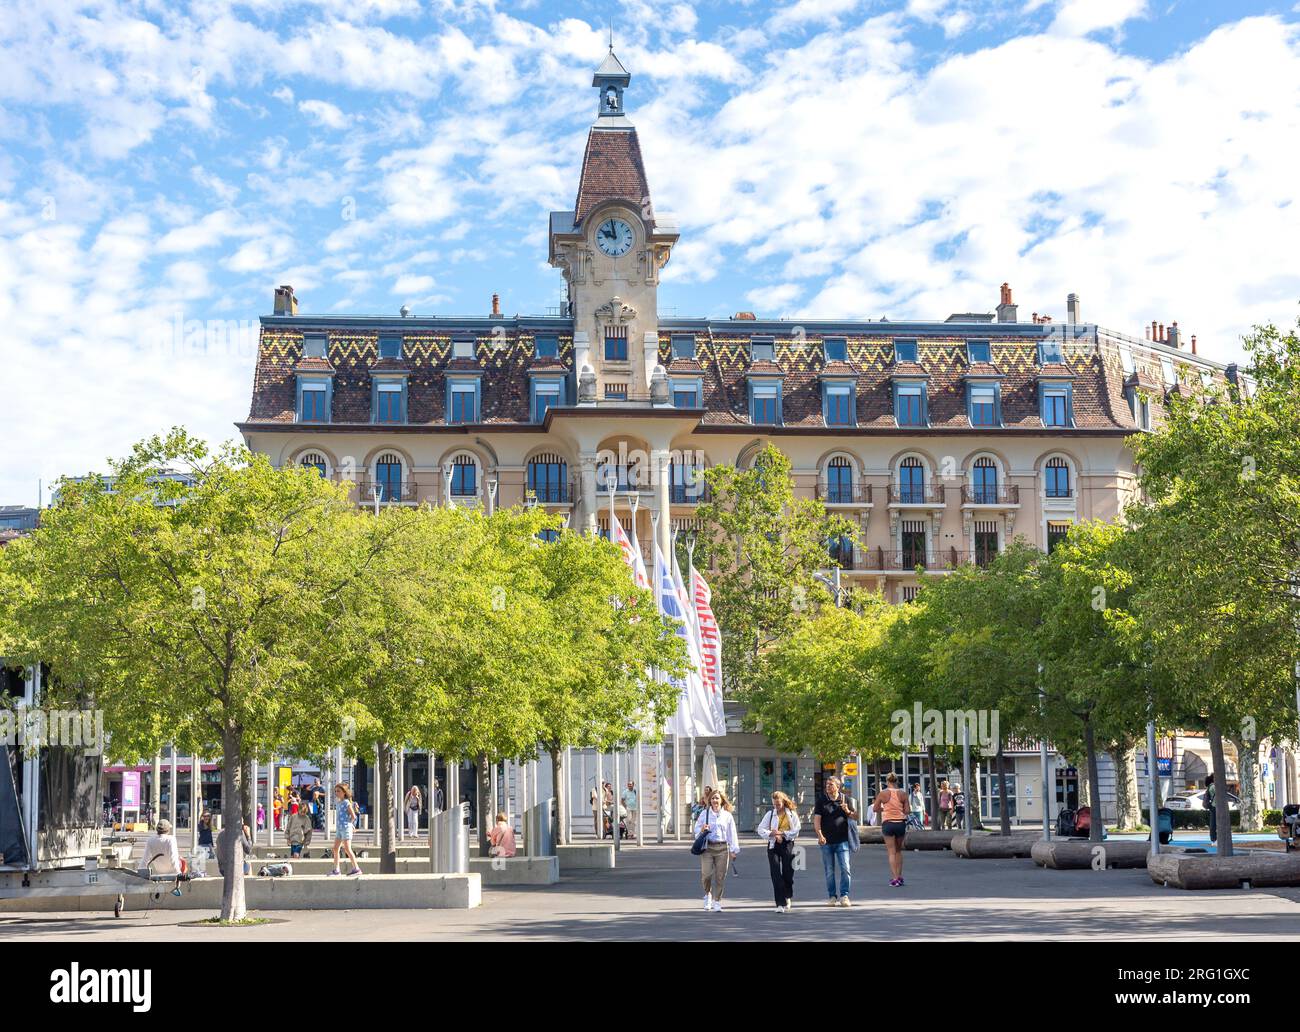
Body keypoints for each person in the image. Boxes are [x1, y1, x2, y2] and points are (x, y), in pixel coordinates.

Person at [693, 789, 739, 912]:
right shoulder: (705, 813)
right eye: (713, 798)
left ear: (722, 800)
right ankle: (708, 894)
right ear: (710, 801)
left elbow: (732, 833)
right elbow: (696, 830)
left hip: (722, 848)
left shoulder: (727, 816)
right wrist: (702, 829)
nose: (715, 800)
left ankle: (717, 901)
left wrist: (734, 849)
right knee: (706, 875)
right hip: (708, 847)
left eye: (717, 798)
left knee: (720, 876)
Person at [814, 776, 856, 906]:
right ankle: (832, 896)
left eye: (831, 785)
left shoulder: (846, 799)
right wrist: (819, 834)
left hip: (842, 840)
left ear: (838, 787)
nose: (828, 787)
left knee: (845, 869)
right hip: (826, 842)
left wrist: (847, 810)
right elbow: (817, 820)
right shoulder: (821, 800)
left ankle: (844, 896)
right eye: (827, 784)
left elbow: (856, 816)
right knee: (829, 871)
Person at [757, 790, 800, 913]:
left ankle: (787, 895)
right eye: (775, 804)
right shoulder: (770, 814)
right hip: (773, 845)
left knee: (788, 872)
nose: (777, 806)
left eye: (779, 804)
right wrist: (772, 834)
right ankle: (780, 903)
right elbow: (760, 829)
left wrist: (782, 833)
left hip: (787, 844)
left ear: (784, 802)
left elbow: (796, 830)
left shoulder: (791, 814)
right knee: (775, 873)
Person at [874, 772, 910, 886]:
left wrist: (884, 809)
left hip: (888, 823)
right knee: (899, 851)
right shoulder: (903, 794)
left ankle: (894, 879)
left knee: (891, 852)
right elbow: (907, 811)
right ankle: (899, 877)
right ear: (897, 781)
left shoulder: (882, 794)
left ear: (887, 781)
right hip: (900, 823)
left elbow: (875, 808)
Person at [330, 783, 362, 876]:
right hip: (339, 829)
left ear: (344, 792)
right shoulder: (339, 803)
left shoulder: (346, 802)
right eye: (335, 791)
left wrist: (351, 825)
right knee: (335, 848)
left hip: (345, 828)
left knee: (347, 849)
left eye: (338, 791)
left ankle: (356, 868)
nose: (336, 793)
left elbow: (353, 816)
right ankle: (336, 870)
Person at [1205, 774, 1217, 844]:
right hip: (1215, 806)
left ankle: (1213, 839)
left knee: (1213, 823)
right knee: (1214, 824)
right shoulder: (1213, 786)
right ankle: (1214, 839)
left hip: (1213, 806)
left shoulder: (1211, 786)